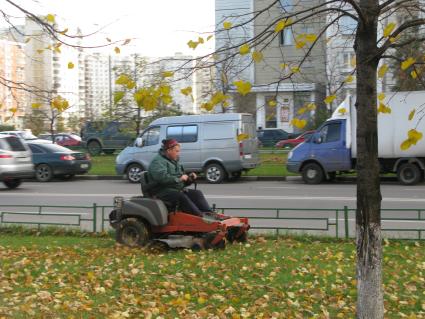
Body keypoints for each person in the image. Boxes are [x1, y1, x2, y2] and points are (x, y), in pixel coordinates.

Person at [147, 138, 212, 216]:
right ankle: (200, 218)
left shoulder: (173, 161)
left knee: (197, 194)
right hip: (160, 191)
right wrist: (179, 179)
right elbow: (163, 178)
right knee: (180, 196)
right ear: (168, 150)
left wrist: (190, 179)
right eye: (176, 151)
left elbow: (180, 180)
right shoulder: (157, 162)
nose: (178, 154)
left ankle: (210, 214)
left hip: (173, 189)